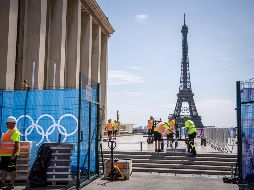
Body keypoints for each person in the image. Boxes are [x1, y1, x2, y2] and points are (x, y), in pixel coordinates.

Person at [0, 116, 20, 189]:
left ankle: (12, 184)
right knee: (4, 169)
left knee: (12, 169)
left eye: (7, 123)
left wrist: (13, 154)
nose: (6, 125)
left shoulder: (15, 132)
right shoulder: (8, 131)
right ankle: (2, 183)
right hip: (4, 155)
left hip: (11, 155)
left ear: (12, 123)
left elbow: (16, 144)